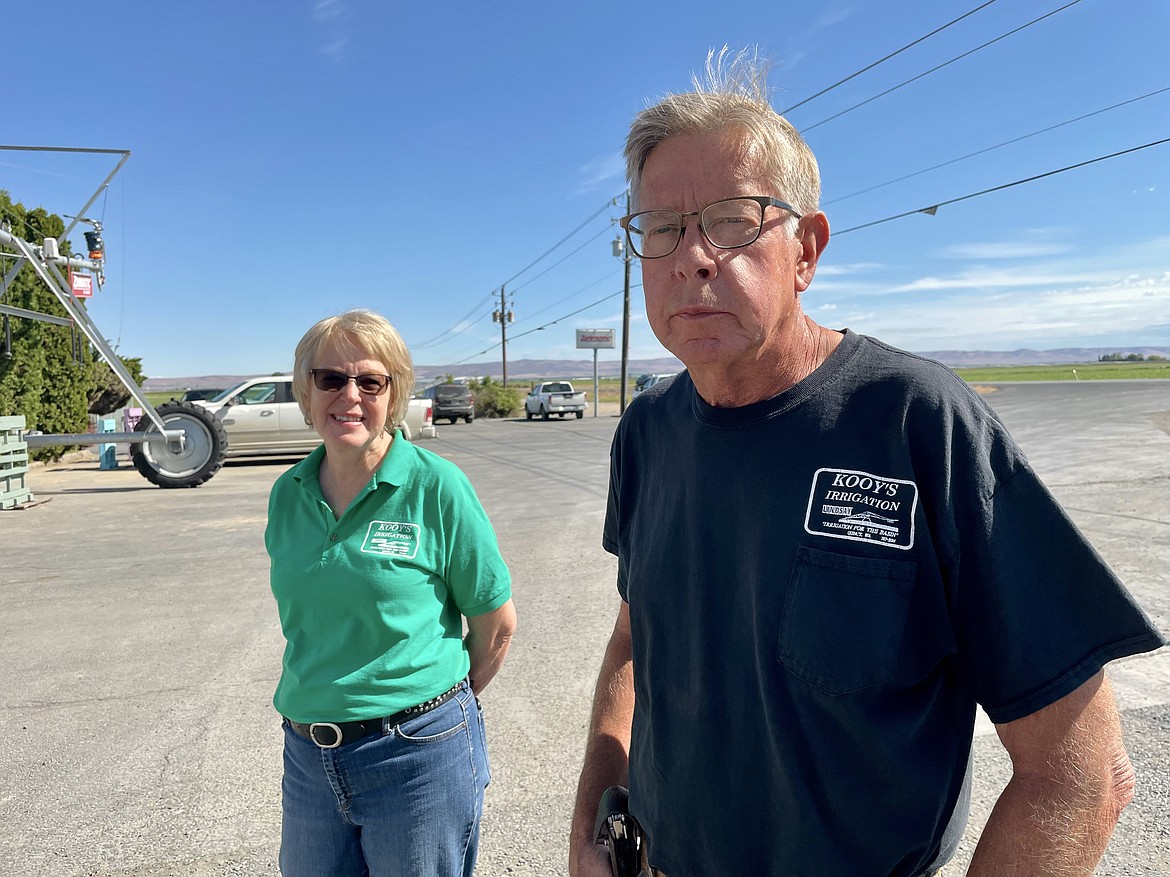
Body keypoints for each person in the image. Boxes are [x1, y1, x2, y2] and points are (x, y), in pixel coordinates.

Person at [568, 50, 1165, 877]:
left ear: (806, 250)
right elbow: (638, 632)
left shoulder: (918, 423)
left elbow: (1079, 773)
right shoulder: (647, 434)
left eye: (733, 219)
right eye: (661, 228)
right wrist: (592, 812)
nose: (693, 257)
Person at [266, 309, 516, 877]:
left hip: (417, 755)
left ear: (393, 392)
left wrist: (437, 705)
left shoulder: (437, 486)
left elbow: (496, 623)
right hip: (308, 756)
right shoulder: (288, 493)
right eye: (330, 379)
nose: (348, 395)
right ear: (307, 390)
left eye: (369, 381)